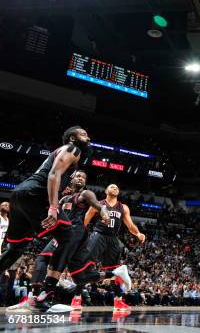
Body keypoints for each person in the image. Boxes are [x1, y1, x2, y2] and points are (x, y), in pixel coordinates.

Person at [0, 126, 91, 301]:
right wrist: (53, 207)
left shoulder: (61, 152)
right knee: (68, 235)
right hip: (35, 196)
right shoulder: (73, 149)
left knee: (15, 249)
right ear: (72, 138)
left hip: (19, 195)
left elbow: (54, 175)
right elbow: (53, 174)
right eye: (83, 134)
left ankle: (44, 292)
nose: (88, 138)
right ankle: (46, 293)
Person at [69, 184, 145, 312]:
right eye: (111, 187)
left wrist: (138, 233)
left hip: (113, 239)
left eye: (116, 187)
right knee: (86, 267)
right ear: (106, 191)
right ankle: (76, 298)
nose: (115, 188)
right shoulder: (98, 204)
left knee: (115, 271)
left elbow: (130, 224)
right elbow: (85, 220)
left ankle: (118, 302)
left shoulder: (123, 207)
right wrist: (78, 236)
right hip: (98, 236)